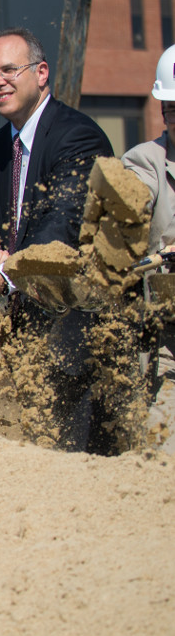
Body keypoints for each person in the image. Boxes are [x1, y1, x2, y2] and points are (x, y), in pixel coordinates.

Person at [0, 27, 114, 452]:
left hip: (73, 329)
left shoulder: (78, 137)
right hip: (18, 333)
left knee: (73, 460)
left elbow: (60, 229)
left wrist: (2, 275)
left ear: (41, 73)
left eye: (9, 69)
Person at [121, 43, 175, 452]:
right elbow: (130, 198)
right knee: (159, 451)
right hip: (167, 339)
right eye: (170, 110)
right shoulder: (147, 160)